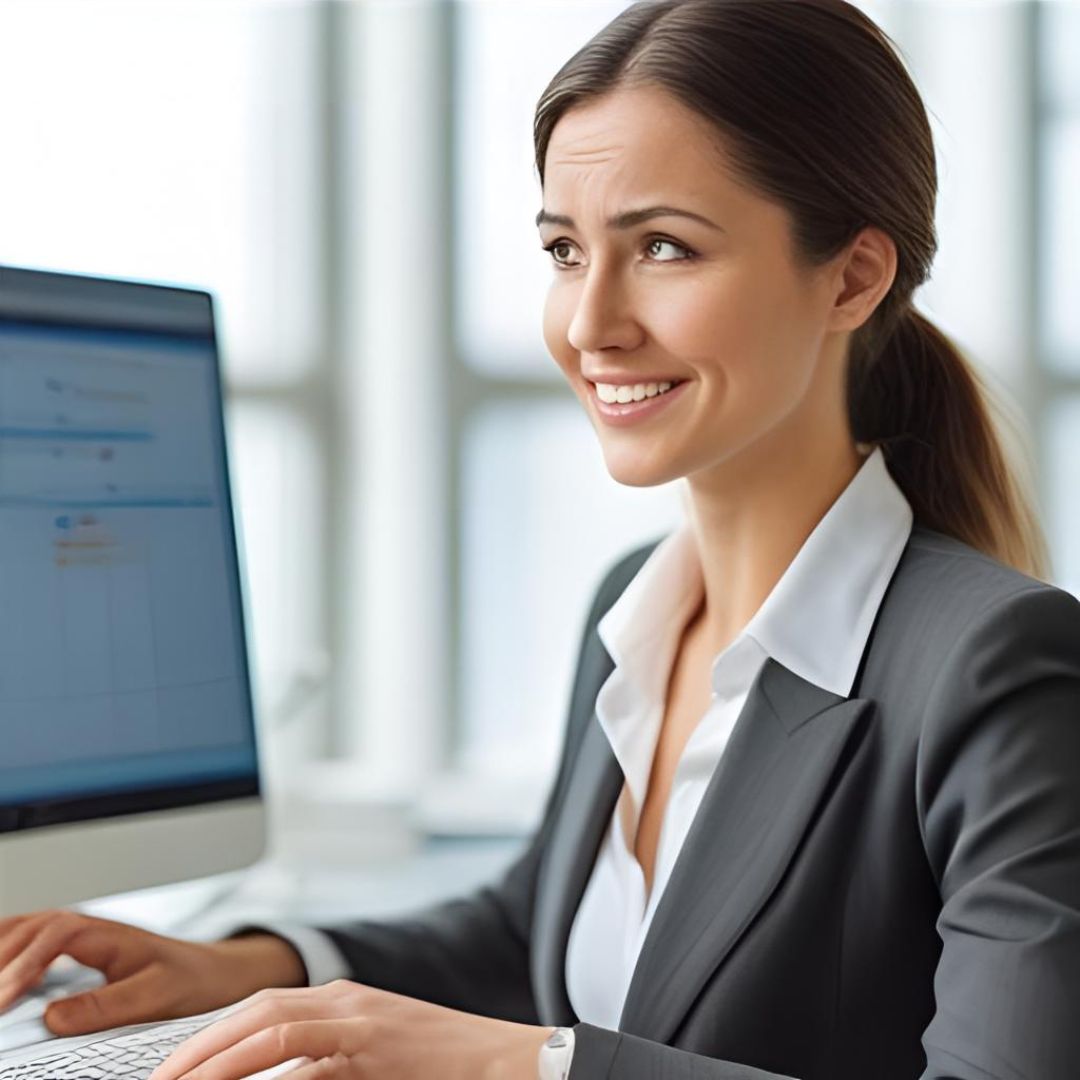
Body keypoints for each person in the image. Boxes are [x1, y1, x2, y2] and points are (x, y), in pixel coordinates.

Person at [2, 0, 1078, 1077]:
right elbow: (539, 935)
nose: (588, 322)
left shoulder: (1000, 666)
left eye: (662, 246)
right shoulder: (639, 611)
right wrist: (258, 965)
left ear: (852, 276)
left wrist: (531, 1066)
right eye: (567, 250)